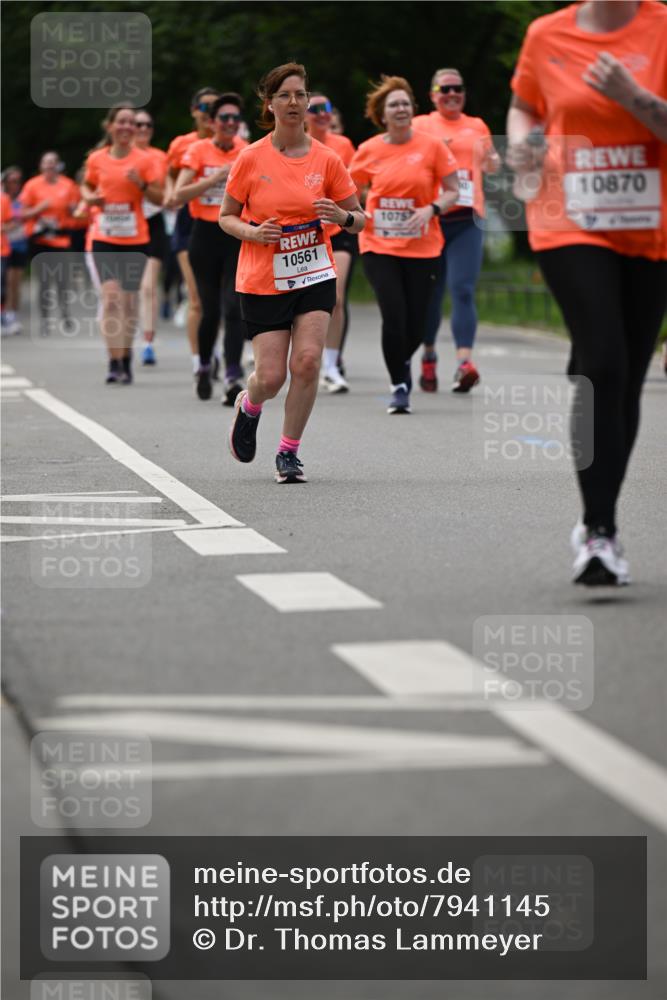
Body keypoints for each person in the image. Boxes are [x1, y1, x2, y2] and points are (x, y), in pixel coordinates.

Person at [507, 0, 667, 585]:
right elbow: (525, 106)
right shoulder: (547, 35)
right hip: (567, 218)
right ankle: (599, 533)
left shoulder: (662, 28)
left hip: (651, 224)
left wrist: (636, 98)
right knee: (601, 361)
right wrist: (523, 143)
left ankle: (602, 522)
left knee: (625, 373)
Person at [220, 62, 363, 483]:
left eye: (301, 94)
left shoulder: (328, 159)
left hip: (315, 271)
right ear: (270, 104)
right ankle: (250, 404)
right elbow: (225, 217)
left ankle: (288, 452)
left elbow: (360, 217)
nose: (294, 102)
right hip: (263, 278)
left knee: (306, 361)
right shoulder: (250, 158)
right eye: (285, 95)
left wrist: (342, 216)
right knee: (270, 377)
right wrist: (253, 232)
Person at [349, 76, 459, 413]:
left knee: (418, 321)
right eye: (393, 104)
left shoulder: (432, 147)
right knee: (393, 314)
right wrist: (363, 207)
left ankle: (400, 361)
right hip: (379, 245)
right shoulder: (369, 149)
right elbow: (347, 189)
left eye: (404, 103)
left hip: (424, 246)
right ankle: (400, 383)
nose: (400, 109)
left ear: (413, 109)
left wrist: (431, 208)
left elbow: (453, 189)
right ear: (382, 113)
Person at [413, 68, 500, 392]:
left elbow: (490, 165)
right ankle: (429, 354)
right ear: (433, 94)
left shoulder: (477, 126)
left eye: (458, 89)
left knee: (462, 289)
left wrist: (493, 160)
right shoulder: (421, 125)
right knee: (431, 295)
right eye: (445, 89)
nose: (452, 94)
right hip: (433, 218)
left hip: (467, 218)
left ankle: (464, 362)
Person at [81, 105, 163, 384]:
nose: (128, 127)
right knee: (111, 299)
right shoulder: (97, 159)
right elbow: (86, 186)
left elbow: (160, 197)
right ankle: (114, 360)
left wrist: (140, 184)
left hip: (135, 239)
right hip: (104, 238)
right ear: (110, 126)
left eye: (132, 122)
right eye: (122, 122)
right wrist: (90, 199)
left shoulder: (145, 160)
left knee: (128, 303)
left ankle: (126, 355)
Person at [175, 93, 247, 403]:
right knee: (210, 310)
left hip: (235, 236)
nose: (230, 123)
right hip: (203, 236)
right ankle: (204, 366)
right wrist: (215, 178)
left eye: (235, 118)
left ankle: (232, 374)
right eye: (224, 118)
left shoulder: (247, 152)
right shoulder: (197, 150)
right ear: (212, 122)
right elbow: (179, 194)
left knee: (234, 307)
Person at [164, 87, 221, 378]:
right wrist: (170, 197)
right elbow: (171, 178)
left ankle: (214, 351)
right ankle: (199, 360)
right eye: (204, 106)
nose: (208, 113)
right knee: (197, 296)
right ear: (194, 110)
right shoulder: (182, 144)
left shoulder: (230, 142)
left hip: (221, 225)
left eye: (215, 107)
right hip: (189, 225)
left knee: (219, 298)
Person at [306, 93, 358, 393]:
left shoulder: (343, 146)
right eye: (315, 109)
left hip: (339, 230)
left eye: (327, 108)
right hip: (305, 234)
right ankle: (304, 358)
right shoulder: (296, 145)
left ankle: (331, 366)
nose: (323, 113)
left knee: (336, 297)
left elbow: (355, 186)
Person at [19, 152, 80, 336]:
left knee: (63, 281)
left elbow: (77, 211)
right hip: (40, 241)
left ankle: (65, 313)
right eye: (46, 163)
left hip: (61, 240)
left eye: (53, 163)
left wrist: (74, 210)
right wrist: (40, 208)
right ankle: (45, 319)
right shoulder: (32, 185)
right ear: (41, 166)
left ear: (58, 165)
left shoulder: (68, 185)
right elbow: (22, 213)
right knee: (44, 282)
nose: (50, 166)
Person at [132, 110, 169, 365]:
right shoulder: (118, 155)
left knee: (148, 287)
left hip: (153, 222)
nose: (143, 128)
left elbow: (165, 192)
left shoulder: (159, 156)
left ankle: (147, 342)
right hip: (126, 225)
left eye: (148, 124)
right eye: (138, 125)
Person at [1, 167, 28, 335]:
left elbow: (23, 218)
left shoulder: (23, 199)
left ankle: (12, 315)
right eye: (11, 181)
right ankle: (6, 315)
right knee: (6, 282)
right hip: (5, 245)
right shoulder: (4, 199)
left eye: (17, 181)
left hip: (18, 244)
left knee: (15, 283)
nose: (14, 184)